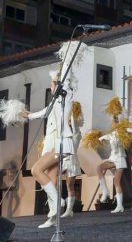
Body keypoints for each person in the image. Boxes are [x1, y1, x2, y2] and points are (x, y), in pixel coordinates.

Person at [22, 69, 75, 228]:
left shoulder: (66, 98)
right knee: (51, 177)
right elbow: (43, 113)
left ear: (58, 86)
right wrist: (28, 115)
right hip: (54, 146)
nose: (50, 88)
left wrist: (58, 75)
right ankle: (53, 216)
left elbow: (66, 83)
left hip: (62, 144)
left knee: (36, 170)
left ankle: (59, 200)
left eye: (52, 85)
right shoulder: (54, 104)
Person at [97, 117, 128, 213]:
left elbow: (122, 141)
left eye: (114, 123)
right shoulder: (111, 134)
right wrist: (99, 138)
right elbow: (103, 138)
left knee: (117, 182)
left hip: (120, 158)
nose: (112, 125)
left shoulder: (122, 134)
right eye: (112, 123)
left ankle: (119, 206)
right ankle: (105, 191)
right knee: (99, 168)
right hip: (113, 158)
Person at [61, 101, 83, 217]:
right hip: (64, 161)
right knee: (52, 177)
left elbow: (74, 125)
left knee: (69, 186)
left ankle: (69, 210)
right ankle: (60, 200)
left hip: (72, 162)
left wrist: (71, 113)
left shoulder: (77, 134)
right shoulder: (65, 135)